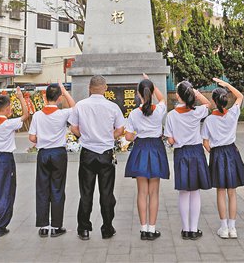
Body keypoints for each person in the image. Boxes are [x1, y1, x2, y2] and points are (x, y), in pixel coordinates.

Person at [68, 75, 126, 240]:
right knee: (106, 193)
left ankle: (83, 229)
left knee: (86, 193)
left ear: (89, 87)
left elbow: (74, 128)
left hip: (87, 153)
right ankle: (107, 228)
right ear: (105, 88)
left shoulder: (80, 105)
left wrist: (84, 137)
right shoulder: (112, 107)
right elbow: (120, 130)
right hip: (106, 154)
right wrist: (108, 137)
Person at [124, 74, 170, 241]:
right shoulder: (159, 110)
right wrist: (151, 81)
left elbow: (128, 137)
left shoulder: (134, 114)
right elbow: (162, 98)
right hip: (156, 148)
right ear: (151, 92)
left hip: (141, 148)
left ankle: (143, 229)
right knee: (154, 192)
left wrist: (136, 135)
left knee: (142, 192)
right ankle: (152, 228)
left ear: (138, 94)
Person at [164, 80, 212, 240]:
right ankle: (194, 228)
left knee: (184, 192)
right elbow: (208, 104)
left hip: (181, 153)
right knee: (195, 192)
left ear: (178, 96)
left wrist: (177, 139)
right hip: (197, 152)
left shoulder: (171, 115)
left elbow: (170, 140)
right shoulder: (197, 112)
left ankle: (185, 229)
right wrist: (197, 93)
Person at [202, 78, 244, 239]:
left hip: (217, 154)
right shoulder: (233, 114)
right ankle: (233, 228)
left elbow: (205, 143)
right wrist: (227, 85)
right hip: (232, 152)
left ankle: (223, 228)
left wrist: (213, 153)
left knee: (220, 192)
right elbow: (240, 97)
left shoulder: (209, 120)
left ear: (214, 102)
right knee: (232, 192)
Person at [28, 82, 76, 238]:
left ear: (45, 96)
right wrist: (65, 91)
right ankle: (56, 226)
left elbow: (32, 137)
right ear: (59, 97)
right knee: (57, 189)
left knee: (42, 189)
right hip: (58, 154)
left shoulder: (37, 115)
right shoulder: (62, 114)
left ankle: (43, 226)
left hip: (43, 154)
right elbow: (75, 108)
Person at [0, 87, 29, 237]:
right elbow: (26, 115)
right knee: (5, 191)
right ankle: (0, 225)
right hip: (6, 160)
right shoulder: (9, 123)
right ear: (8, 108)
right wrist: (21, 97)